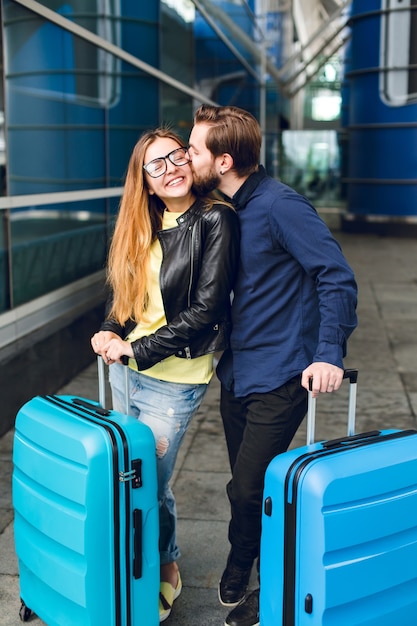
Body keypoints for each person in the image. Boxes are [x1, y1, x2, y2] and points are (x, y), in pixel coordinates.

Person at [188, 105, 358, 626]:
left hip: (283, 373)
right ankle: (244, 559)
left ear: (222, 160)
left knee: (251, 487)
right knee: (245, 487)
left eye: (193, 150)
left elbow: (337, 277)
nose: (185, 156)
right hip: (239, 371)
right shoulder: (227, 205)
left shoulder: (282, 206)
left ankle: (268, 588)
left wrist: (328, 353)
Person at [91, 127, 240, 623]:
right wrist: (111, 331)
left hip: (174, 379)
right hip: (127, 371)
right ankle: (140, 562)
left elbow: (207, 309)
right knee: (134, 478)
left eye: (177, 156)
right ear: (145, 182)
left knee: (147, 483)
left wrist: (134, 351)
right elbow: (130, 299)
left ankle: (166, 567)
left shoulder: (215, 218)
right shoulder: (143, 223)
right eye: (156, 165)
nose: (171, 167)